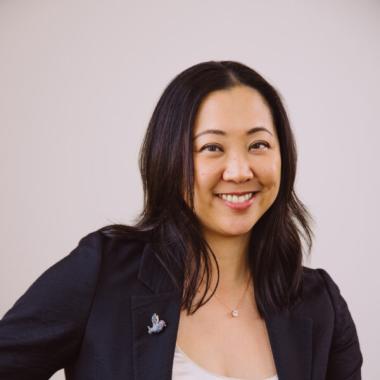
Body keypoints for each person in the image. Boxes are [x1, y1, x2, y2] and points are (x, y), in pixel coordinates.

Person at [0, 61, 362, 380]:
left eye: (258, 145)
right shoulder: (105, 271)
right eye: (212, 148)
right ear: (170, 161)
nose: (239, 170)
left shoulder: (319, 304)